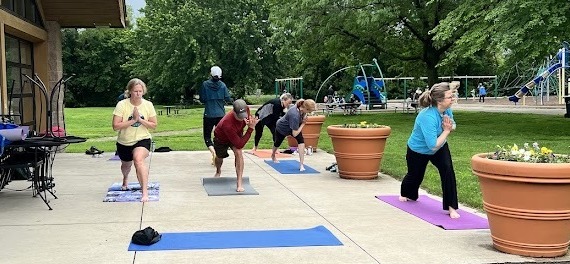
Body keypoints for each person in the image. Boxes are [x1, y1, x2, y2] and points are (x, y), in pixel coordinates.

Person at [399, 81, 460, 219]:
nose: (453, 99)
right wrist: (446, 130)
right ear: (439, 100)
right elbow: (432, 145)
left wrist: (450, 127)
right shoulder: (427, 116)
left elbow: (453, 124)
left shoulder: (446, 109)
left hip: (440, 146)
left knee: (448, 171)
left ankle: (451, 207)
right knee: (415, 176)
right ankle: (405, 192)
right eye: (450, 97)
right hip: (418, 150)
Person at [112, 78, 158, 202]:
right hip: (124, 141)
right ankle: (125, 178)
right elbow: (115, 126)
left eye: (140, 91)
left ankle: (144, 192)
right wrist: (132, 120)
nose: (138, 93)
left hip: (142, 139)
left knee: (138, 160)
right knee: (126, 165)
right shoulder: (122, 105)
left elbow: (154, 125)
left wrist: (140, 120)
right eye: (135, 91)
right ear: (130, 91)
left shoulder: (148, 105)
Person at [213, 99, 259, 192]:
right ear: (233, 111)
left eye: (243, 115)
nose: (241, 118)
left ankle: (239, 183)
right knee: (219, 157)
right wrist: (250, 129)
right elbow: (240, 143)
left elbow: (238, 146)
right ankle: (218, 170)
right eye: (239, 116)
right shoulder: (227, 123)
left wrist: (250, 123)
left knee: (238, 153)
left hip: (236, 133)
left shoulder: (246, 109)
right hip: (221, 138)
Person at [270, 99, 317, 171]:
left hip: (294, 127)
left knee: (301, 142)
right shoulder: (294, 115)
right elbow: (294, 134)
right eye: (309, 111)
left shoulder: (302, 105)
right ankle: (273, 155)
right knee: (277, 143)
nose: (310, 113)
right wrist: (303, 124)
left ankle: (301, 165)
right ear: (305, 108)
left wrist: (303, 119)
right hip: (282, 128)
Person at [200, 66, 232, 164]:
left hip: (208, 113)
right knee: (220, 136)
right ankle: (218, 153)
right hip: (221, 115)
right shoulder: (222, 85)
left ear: (211, 74)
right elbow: (228, 98)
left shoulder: (205, 84)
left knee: (207, 136)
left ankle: (213, 151)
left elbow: (202, 99)